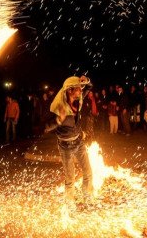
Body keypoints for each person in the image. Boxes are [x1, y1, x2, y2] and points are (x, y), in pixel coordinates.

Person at [45, 75, 94, 210]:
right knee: (70, 179)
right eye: (78, 88)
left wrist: (86, 80)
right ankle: (70, 205)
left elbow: (90, 86)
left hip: (79, 142)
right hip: (65, 146)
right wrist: (58, 120)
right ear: (69, 90)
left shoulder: (78, 99)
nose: (80, 90)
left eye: (80, 88)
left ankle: (88, 198)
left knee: (88, 173)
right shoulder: (58, 106)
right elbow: (46, 127)